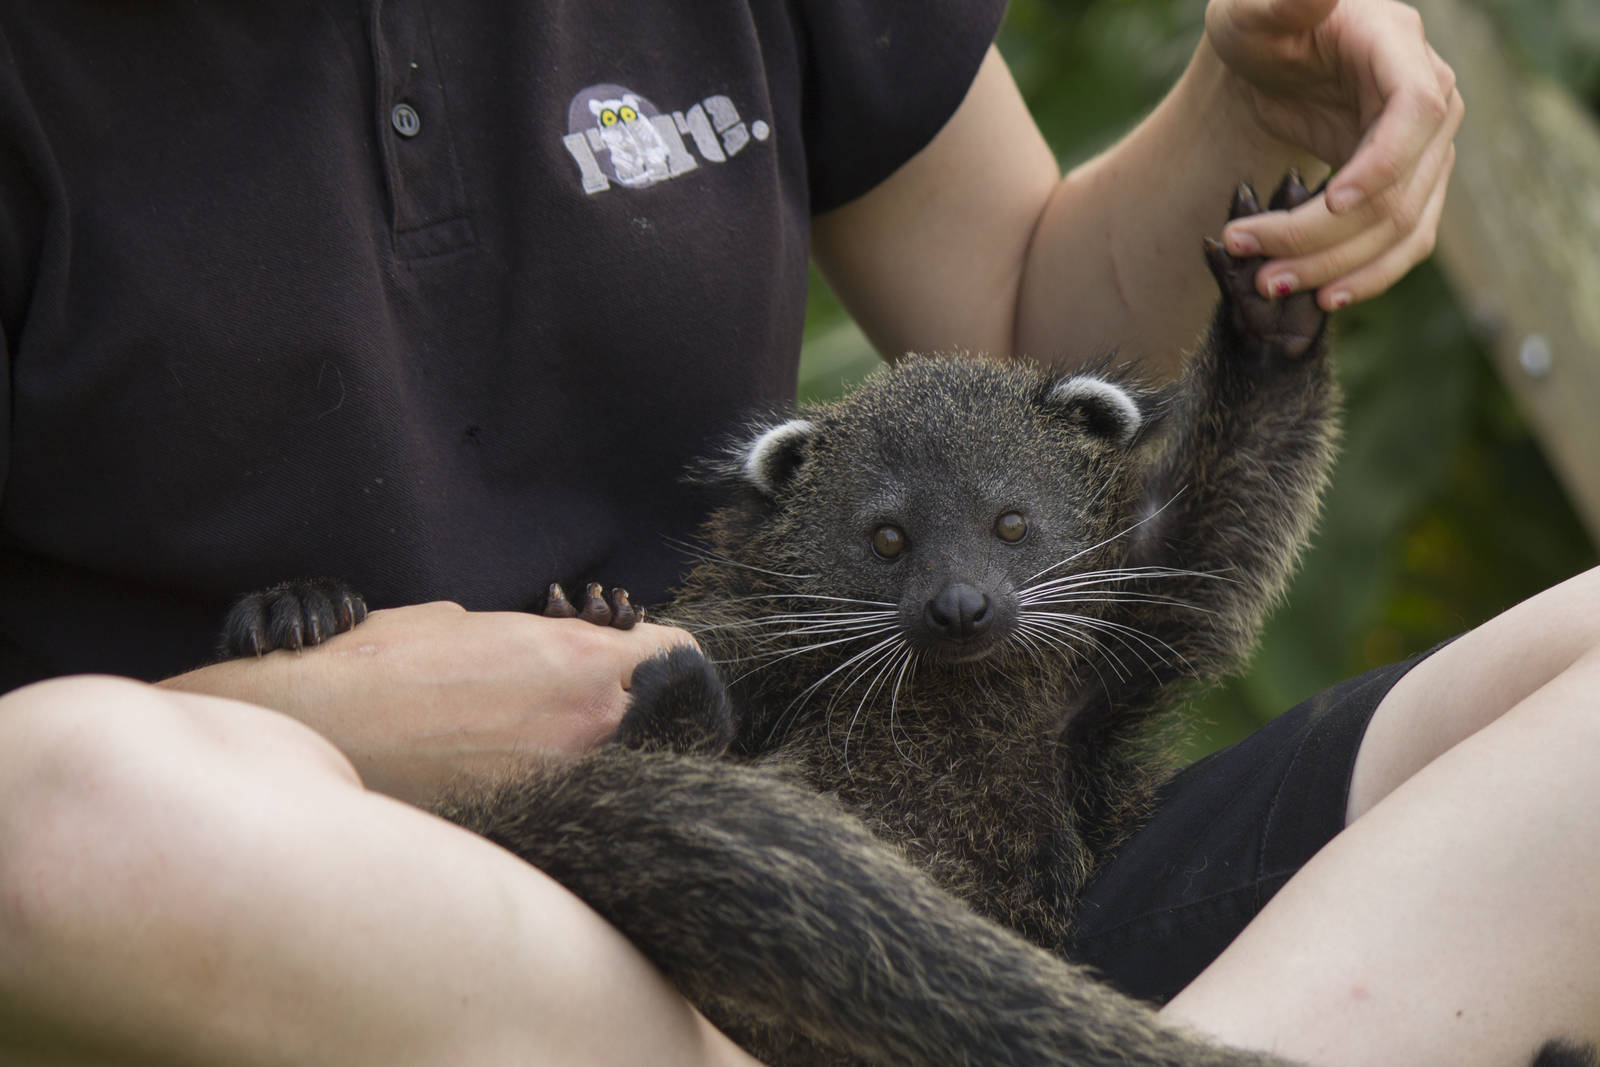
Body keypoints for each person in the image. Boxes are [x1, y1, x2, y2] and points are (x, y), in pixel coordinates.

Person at [3, 0, 1590, 1063]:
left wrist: (1244, 107)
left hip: (1021, 949)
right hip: (402, 949)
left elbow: (1022, 353)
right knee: (59, 805)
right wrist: (310, 726)